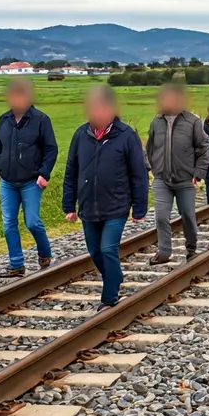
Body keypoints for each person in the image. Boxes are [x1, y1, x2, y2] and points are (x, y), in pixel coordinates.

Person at [62, 85, 148, 309]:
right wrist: (68, 204)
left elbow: (138, 173)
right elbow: (71, 170)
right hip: (89, 206)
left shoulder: (127, 135)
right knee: (95, 252)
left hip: (117, 205)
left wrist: (139, 207)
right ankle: (115, 277)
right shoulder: (81, 134)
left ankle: (109, 297)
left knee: (108, 249)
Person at [0, 78, 59, 278]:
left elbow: (51, 149)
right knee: (9, 224)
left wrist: (44, 173)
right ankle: (16, 264)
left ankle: (45, 253)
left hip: (31, 181)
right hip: (7, 182)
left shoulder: (40, 120)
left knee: (32, 222)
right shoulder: (4, 120)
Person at [145, 83, 209, 265]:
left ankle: (191, 248)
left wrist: (198, 173)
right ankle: (164, 252)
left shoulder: (192, 121)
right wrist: (154, 168)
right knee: (160, 215)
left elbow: (204, 148)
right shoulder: (156, 122)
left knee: (187, 215)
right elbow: (150, 147)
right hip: (162, 179)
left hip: (185, 179)